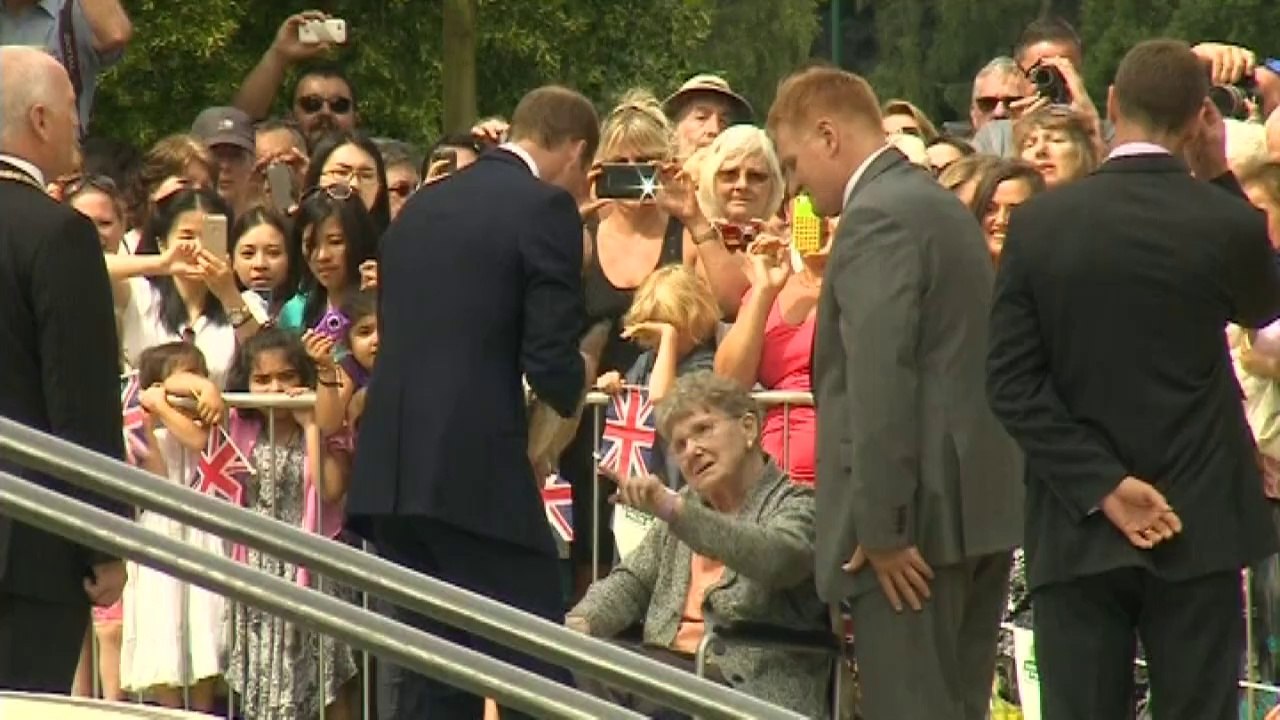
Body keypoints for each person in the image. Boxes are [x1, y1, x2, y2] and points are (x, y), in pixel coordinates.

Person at [986, 39, 1280, 720]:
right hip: (1200, 517)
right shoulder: (1223, 221)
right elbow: (1265, 303)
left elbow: (1010, 383)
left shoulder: (1040, 225)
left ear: (1113, 103)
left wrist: (1102, 484)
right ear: (1200, 117)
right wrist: (1218, 176)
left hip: (1078, 523)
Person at [767, 65, 1023, 720]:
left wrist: (881, 526)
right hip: (972, 514)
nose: (794, 187)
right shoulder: (937, 206)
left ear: (828, 135)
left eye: (793, 164)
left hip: (913, 532)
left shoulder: (876, 217)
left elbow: (880, 376)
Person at [348, 84, 599, 720]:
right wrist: (580, 379)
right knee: (534, 666)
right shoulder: (546, 208)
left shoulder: (421, 208)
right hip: (473, 474)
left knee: (436, 677)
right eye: (586, 170)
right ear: (575, 150)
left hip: (393, 475)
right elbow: (550, 359)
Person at [567, 371, 830, 719]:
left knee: (611, 679)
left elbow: (774, 558)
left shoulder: (798, 505)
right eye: (679, 445)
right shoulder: (686, 506)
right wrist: (582, 622)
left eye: (703, 429)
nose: (692, 450)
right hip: (667, 678)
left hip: (747, 688)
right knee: (566, 662)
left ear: (748, 428)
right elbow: (632, 581)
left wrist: (676, 512)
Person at [0, 45, 130, 692]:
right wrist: (102, 537)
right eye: (73, 107)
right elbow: (80, 401)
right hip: (28, 546)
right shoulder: (58, 234)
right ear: (40, 119)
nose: (82, 125)